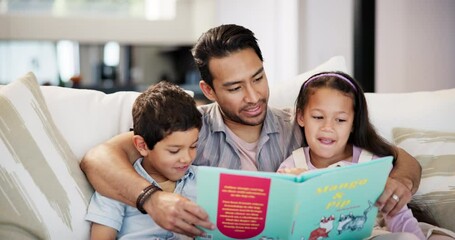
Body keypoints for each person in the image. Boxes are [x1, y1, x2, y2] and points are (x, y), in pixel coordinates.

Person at [80, 24, 422, 238]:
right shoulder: (189, 130)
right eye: (234, 87)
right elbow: (98, 159)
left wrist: (399, 183)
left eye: (258, 78)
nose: (254, 96)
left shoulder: (302, 124)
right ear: (209, 91)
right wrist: (151, 199)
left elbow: (401, 159)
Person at [278, 72, 453, 240]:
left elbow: (399, 217)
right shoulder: (292, 166)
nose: (327, 127)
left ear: (354, 123)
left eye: (340, 120)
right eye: (318, 117)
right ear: (301, 116)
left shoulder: (372, 164)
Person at [85, 81, 202, 239]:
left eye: (193, 146)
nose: (187, 158)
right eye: (174, 151)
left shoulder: (204, 183)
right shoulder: (115, 187)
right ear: (142, 145)